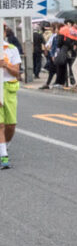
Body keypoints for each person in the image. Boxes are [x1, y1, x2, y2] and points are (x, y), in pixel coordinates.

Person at [0, 34, 20, 169]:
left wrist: (5, 64)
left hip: (9, 88)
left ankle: (3, 147)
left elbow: (16, 72)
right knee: (0, 125)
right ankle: (3, 156)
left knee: (11, 125)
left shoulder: (11, 49)